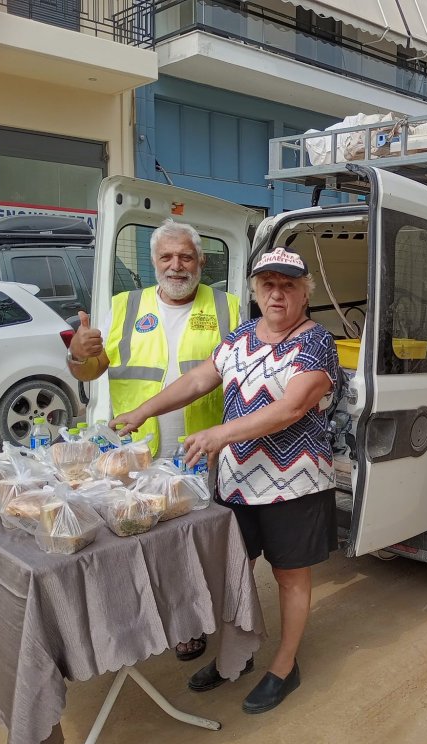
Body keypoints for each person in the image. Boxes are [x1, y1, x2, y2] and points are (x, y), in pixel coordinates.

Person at [111, 246, 340, 714]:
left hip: (293, 484)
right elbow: (199, 380)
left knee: (290, 575)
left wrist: (219, 433)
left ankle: (284, 665)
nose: (277, 293)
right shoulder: (239, 337)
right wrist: (142, 410)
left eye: (289, 285)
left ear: (304, 294)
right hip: (237, 484)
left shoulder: (317, 342)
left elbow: (291, 408)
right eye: (268, 284)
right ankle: (237, 656)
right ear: (255, 291)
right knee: (234, 571)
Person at [67, 218, 239, 662]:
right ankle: (135, 620)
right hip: (134, 453)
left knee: (189, 541)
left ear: (201, 261)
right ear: (153, 262)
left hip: (198, 451)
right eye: (167, 257)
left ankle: (188, 623)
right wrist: (77, 355)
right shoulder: (124, 305)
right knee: (133, 536)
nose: (176, 266)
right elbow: (90, 371)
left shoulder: (229, 307)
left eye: (186, 256)